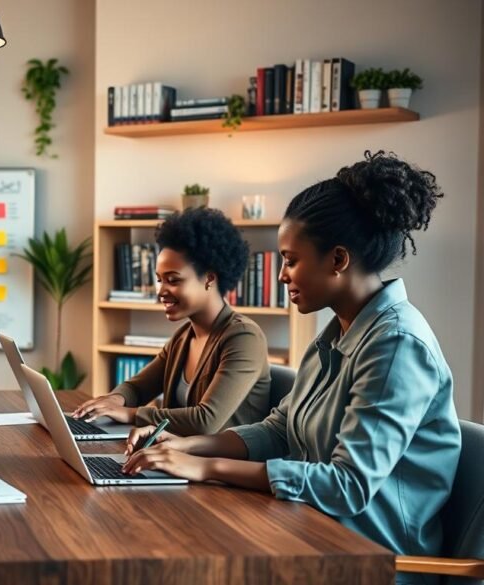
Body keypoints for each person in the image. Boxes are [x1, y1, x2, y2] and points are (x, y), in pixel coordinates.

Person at [122, 152, 461, 584]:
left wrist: (207, 468)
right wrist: (187, 448)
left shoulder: (396, 344)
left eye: (290, 259)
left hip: (369, 561)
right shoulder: (336, 333)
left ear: (338, 260)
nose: (281, 275)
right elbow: (279, 430)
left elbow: (347, 485)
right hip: (307, 532)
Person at [73, 207, 272, 436]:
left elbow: (205, 421)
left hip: (217, 467)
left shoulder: (244, 337)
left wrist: (129, 414)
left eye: (173, 280)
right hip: (176, 457)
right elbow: (137, 387)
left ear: (209, 278)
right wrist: (112, 401)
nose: (161, 291)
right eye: (159, 280)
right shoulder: (184, 336)